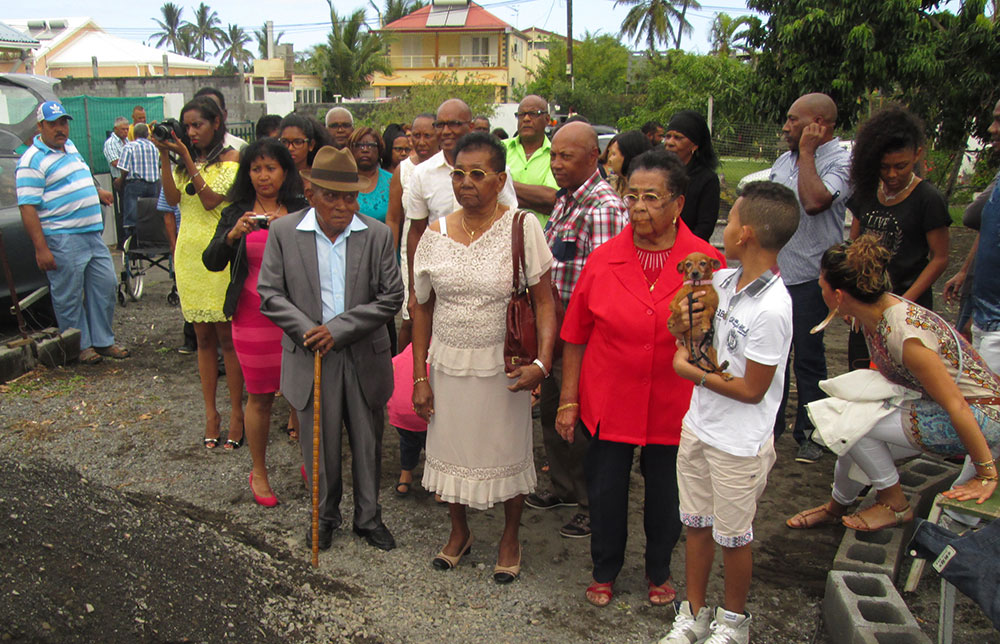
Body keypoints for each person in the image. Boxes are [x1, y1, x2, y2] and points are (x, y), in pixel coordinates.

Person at [555, 149, 725, 608]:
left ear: (678, 204)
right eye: (631, 197)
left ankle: (659, 570)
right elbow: (575, 335)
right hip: (609, 397)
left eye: (652, 198)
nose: (639, 208)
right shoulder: (603, 259)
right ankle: (604, 569)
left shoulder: (708, 263)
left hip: (676, 402)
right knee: (606, 489)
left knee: (668, 494)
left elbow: (723, 338)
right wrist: (568, 399)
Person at [411, 132, 557, 581]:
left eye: (478, 174)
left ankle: (510, 536)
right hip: (449, 363)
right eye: (458, 173)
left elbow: (546, 302)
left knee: (505, 449)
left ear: (500, 179)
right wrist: (420, 375)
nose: (466, 182)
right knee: (453, 447)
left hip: (506, 366)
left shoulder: (522, 226)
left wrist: (542, 364)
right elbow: (421, 306)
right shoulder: (433, 234)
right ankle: (460, 532)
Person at [660, 181, 800, 644]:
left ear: (747, 235)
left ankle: (733, 624)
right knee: (696, 525)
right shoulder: (719, 280)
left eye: (733, 217)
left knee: (733, 536)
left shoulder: (774, 308)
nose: (726, 225)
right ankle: (694, 614)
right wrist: (682, 332)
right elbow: (687, 327)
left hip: (739, 443)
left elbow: (754, 390)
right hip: (700, 427)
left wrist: (690, 371)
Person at [786, 234, 999, 533]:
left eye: (821, 284)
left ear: (838, 295)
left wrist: (985, 474)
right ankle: (835, 509)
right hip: (948, 407)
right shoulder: (873, 311)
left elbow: (958, 404)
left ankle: (894, 503)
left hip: (984, 417)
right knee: (848, 437)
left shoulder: (904, 335)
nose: (818, 288)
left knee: (846, 421)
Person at [258, 145, 403, 552]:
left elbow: (391, 297)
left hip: (362, 355)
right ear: (310, 194)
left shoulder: (376, 234)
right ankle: (323, 517)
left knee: (368, 441)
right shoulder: (284, 232)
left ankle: (368, 517)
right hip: (310, 356)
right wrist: (311, 331)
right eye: (332, 196)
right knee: (318, 445)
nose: (343, 205)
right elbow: (269, 294)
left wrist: (337, 330)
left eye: (350, 196)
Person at [530, 121, 629, 539]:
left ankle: (592, 503)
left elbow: (604, 286)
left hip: (584, 338)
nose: (555, 164)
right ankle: (564, 488)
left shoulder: (603, 209)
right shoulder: (567, 201)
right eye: (553, 155)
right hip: (557, 328)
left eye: (565, 156)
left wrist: (578, 340)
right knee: (553, 415)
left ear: (594, 157)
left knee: (585, 423)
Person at [202, 139, 308, 506]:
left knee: (306, 395)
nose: (264, 176)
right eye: (256, 169)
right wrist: (233, 235)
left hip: (297, 316)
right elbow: (211, 261)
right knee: (259, 396)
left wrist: (294, 229)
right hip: (251, 316)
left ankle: (311, 462)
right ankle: (259, 471)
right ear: (247, 173)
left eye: (271, 168)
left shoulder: (301, 208)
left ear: (285, 172)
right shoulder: (235, 212)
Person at [154, 96, 244, 450]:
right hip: (188, 254)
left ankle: (237, 412)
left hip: (218, 253)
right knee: (202, 340)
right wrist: (166, 155)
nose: (190, 133)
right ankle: (211, 413)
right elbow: (172, 199)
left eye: (197, 126)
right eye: (186, 126)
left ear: (217, 124)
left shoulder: (233, 161)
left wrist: (187, 160)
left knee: (228, 340)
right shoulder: (180, 162)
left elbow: (211, 201)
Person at [769, 92, 852, 464]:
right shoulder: (782, 161)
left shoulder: (840, 162)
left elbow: (816, 201)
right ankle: (771, 427)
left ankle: (814, 432)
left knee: (809, 359)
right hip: (777, 278)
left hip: (811, 279)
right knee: (772, 358)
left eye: (793, 120)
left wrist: (807, 153)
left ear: (819, 124)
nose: (786, 127)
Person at [15, 101, 127, 365]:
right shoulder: (31, 160)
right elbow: (27, 208)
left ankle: (102, 340)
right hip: (61, 236)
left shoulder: (71, 148)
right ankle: (79, 345)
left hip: (91, 234)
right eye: (53, 124)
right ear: (40, 126)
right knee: (69, 294)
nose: (60, 129)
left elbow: (79, 178)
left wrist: (97, 193)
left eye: (63, 123)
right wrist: (41, 248)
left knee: (105, 285)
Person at [845, 105, 950, 370]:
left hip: (906, 313)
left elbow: (940, 258)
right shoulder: (866, 193)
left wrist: (900, 304)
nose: (892, 174)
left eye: (901, 166)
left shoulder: (928, 199)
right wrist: (848, 297)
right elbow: (853, 247)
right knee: (860, 379)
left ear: (918, 154)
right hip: (866, 310)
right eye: (884, 167)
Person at [404, 99, 517, 313]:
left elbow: (509, 220)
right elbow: (416, 232)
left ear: (471, 127)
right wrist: (413, 289)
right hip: (441, 280)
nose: (446, 131)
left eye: (454, 124)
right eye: (440, 125)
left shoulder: (497, 171)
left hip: (490, 281)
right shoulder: (422, 173)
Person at [389, 112, 439, 353]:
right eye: (415, 136)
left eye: (427, 135)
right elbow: (394, 218)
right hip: (411, 250)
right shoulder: (403, 170)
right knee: (410, 319)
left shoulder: (448, 169)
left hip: (440, 248)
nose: (421, 141)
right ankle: (403, 370)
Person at [663, 110, 721, 242]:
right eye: (668, 136)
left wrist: (682, 248)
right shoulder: (657, 172)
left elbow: (705, 227)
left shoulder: (707, 180)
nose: (670, 142)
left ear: (694, 146)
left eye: (678, 138)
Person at [504, 94, 558, 220]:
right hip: (503, 236)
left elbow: (552, 199)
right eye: (521, 114)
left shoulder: (555, 155)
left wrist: (502, 186)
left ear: (547, 119)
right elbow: (487, 190)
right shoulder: (500, 148)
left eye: (533, 113)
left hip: (540, 237)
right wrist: (538, 202)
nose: (526, 119)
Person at [117, 123, 162, 236]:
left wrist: (120, 181)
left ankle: (131, 248)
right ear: (147, 134)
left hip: (135, 185)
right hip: (153, 185)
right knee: (150, 217)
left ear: (134, 134)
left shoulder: (129, 146)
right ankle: (150, 249)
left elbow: (124, 169)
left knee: (132, 219)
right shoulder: (154, 147)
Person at [349, 127, 392, 223]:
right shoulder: (342, 181)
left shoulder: (391, 182)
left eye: (370, 145)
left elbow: (395, 221)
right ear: (351, 150)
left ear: (379, 150)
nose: (365, 150)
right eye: (359, 145)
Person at [103, 116, 130, 246]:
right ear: (115, 129)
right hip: (120, 179)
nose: (125, 132)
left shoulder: (127, 141)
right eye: (123, 129)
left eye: (127, 129)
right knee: (125, 209)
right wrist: (131, 165)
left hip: (131, 178)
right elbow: (115, 162)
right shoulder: (111, 143)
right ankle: (123, 241)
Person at [195, 87, 248, 151]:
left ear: (224, 114)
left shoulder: (240, 147)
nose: (208, 115)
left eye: (213, 109)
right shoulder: (185, 150)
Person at [605, 130, 653, 196]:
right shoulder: (613, 184)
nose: (610, 160)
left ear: (628, 156)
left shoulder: (648, 189)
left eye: (614, 154)